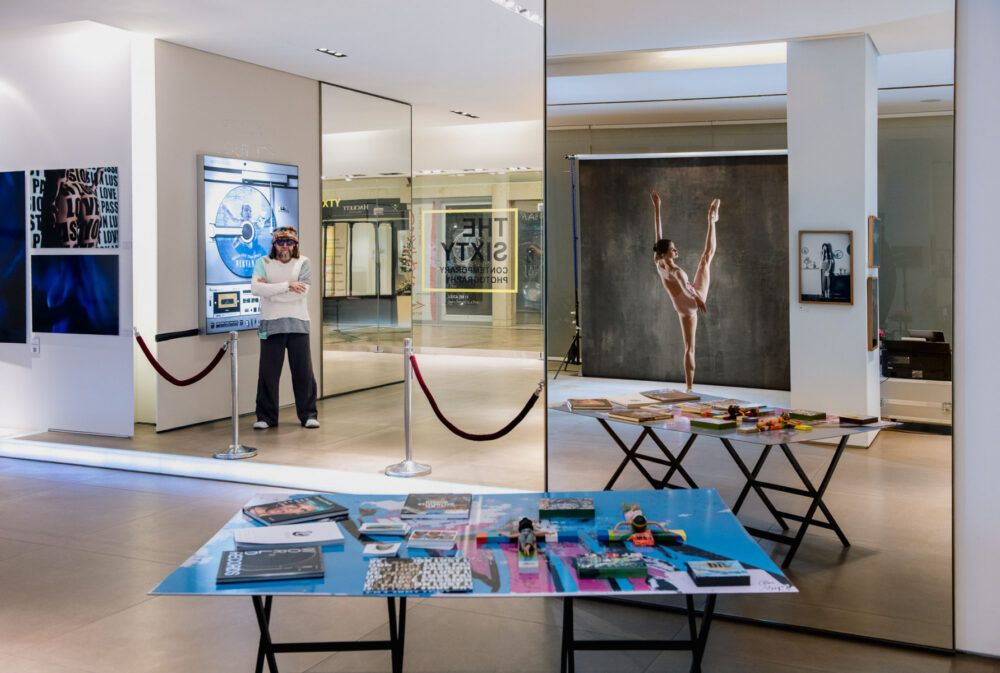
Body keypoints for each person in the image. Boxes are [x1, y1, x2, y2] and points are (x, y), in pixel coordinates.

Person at [650, 191, 720, 391]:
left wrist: (657, 207)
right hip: (690, 301)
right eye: (673, 249)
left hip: (681, 309)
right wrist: (698, 299)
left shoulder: (658, 261)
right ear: (665, 253)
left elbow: (658, 236)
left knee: (689, 348)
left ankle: (689, 388)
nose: (676, 250)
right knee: (706, 258)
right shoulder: (676, 270)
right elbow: (686, 287)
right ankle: (711, 220)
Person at [250, 225, 319, 429]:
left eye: (289, 242)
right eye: (280, 242)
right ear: (274, 244)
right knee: (268, 374)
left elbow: (302, 292)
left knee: (303, 373)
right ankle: (265, 417)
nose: (285, 246)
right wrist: (288, 285)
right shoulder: (263, 262)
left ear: (295, 244)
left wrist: (270, 290)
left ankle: (308, 415)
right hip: (270, 325)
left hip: (298, 324)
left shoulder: (304, 262)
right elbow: (255, 288)